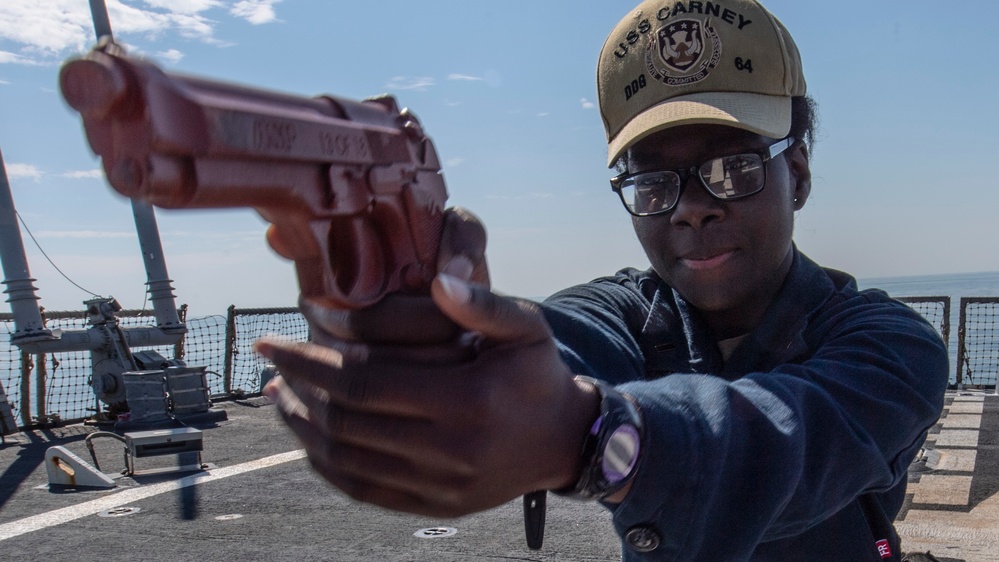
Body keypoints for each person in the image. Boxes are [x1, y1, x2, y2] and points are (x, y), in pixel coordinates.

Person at [256, 0, 949, 560]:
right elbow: (548, 347)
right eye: (651, 183)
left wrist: (593, 437)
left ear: (795, 173)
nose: (689, 208)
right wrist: (422, 333)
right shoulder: (619, 311)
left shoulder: (891, 347)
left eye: (732, 168)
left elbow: (787, 439)